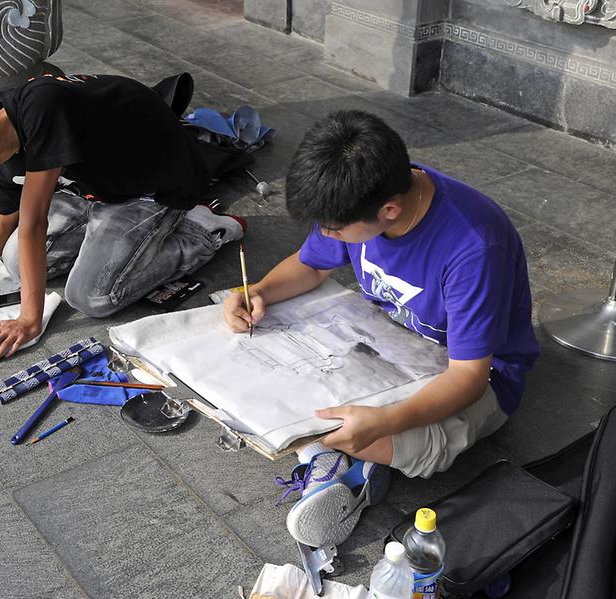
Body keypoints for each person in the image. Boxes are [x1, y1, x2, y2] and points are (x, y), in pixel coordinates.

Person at [223, 110, 540, 548]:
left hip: (477, 374)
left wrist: (385, 421)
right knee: (292, 363)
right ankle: (346, 454)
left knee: (419, 441)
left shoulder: (474, 246)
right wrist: (258, 291)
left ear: (389, 210)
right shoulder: (358, 194)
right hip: (384, 341)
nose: (328, 234)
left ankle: (340, 462)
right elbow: (310, 265)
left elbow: (468, 377)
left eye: (336, 229)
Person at [0, 72, 244, 364]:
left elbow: (32, 223)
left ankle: (201, 230)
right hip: (89, 188)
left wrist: (29, 320)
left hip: (151, 187)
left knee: (92, 297)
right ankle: (106, 241)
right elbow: (5, 222)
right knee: (16, 261)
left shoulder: (43, 106)